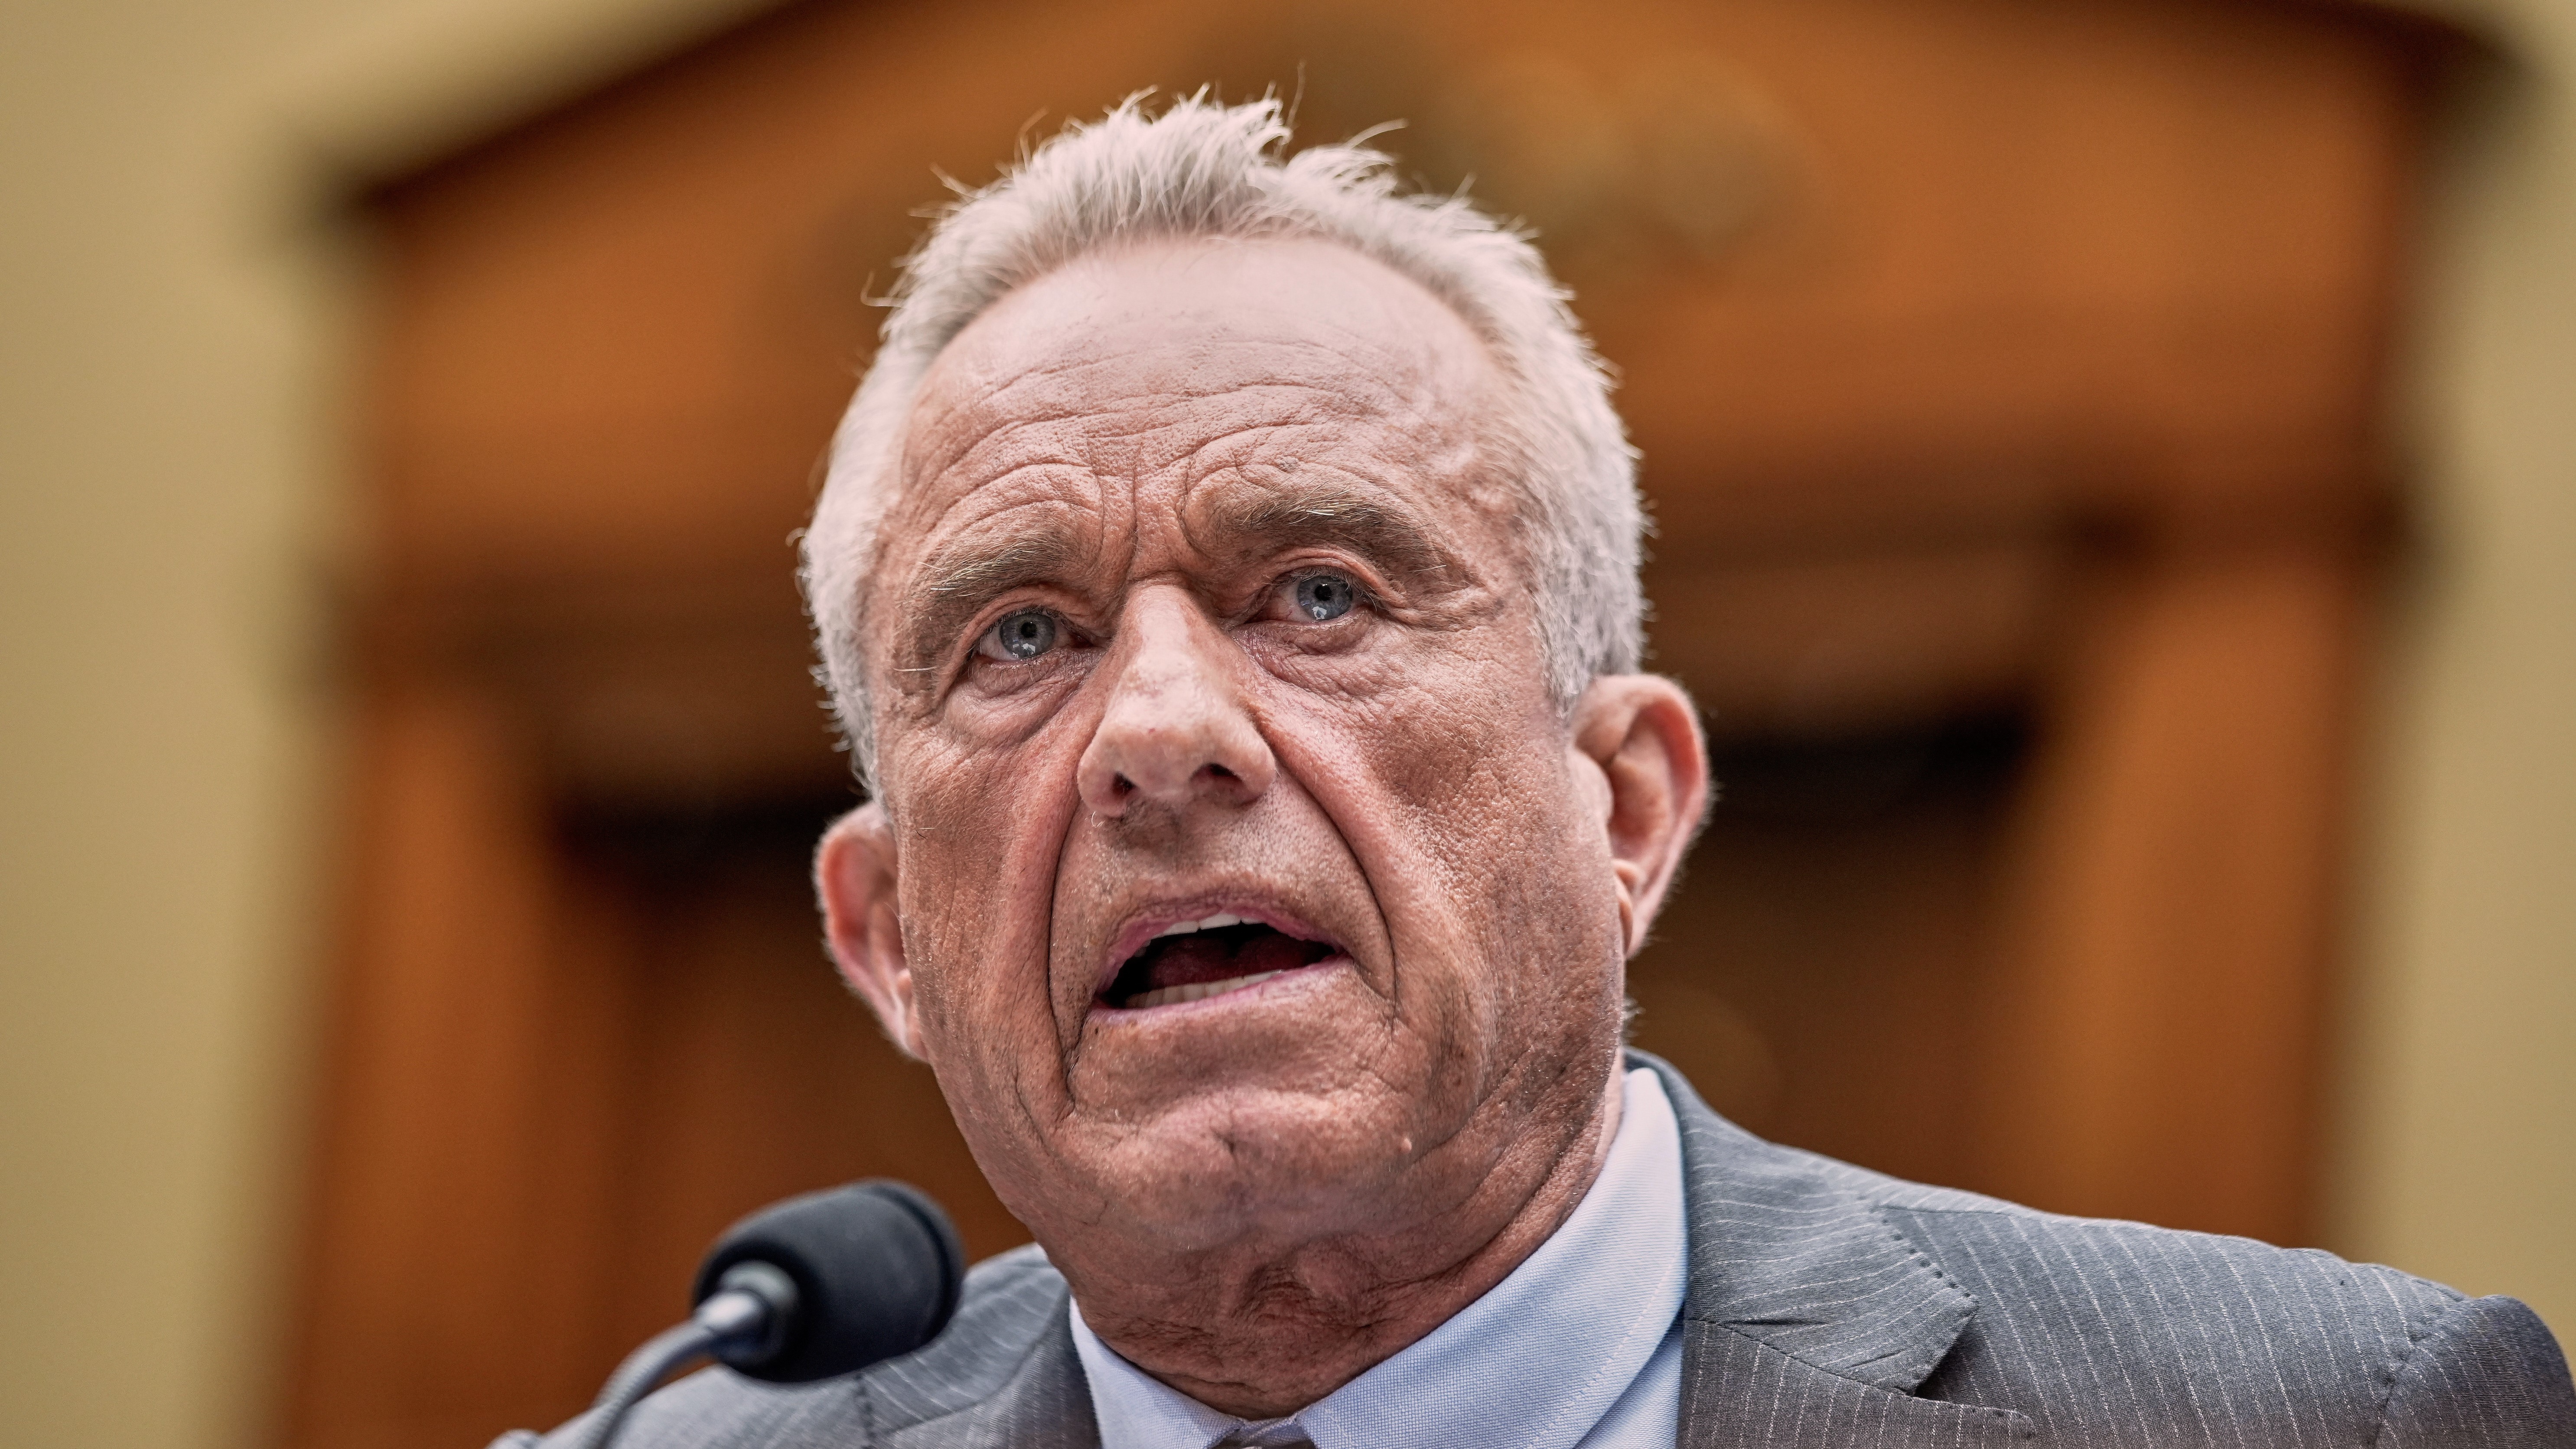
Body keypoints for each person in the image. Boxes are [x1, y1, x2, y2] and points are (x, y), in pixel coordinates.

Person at [557, 96, 2574, 1447]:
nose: (1162, 731)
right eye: (1021, 638)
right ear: (889, 929)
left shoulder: (2327, 1417)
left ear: (1622, 808)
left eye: (1321, 592)